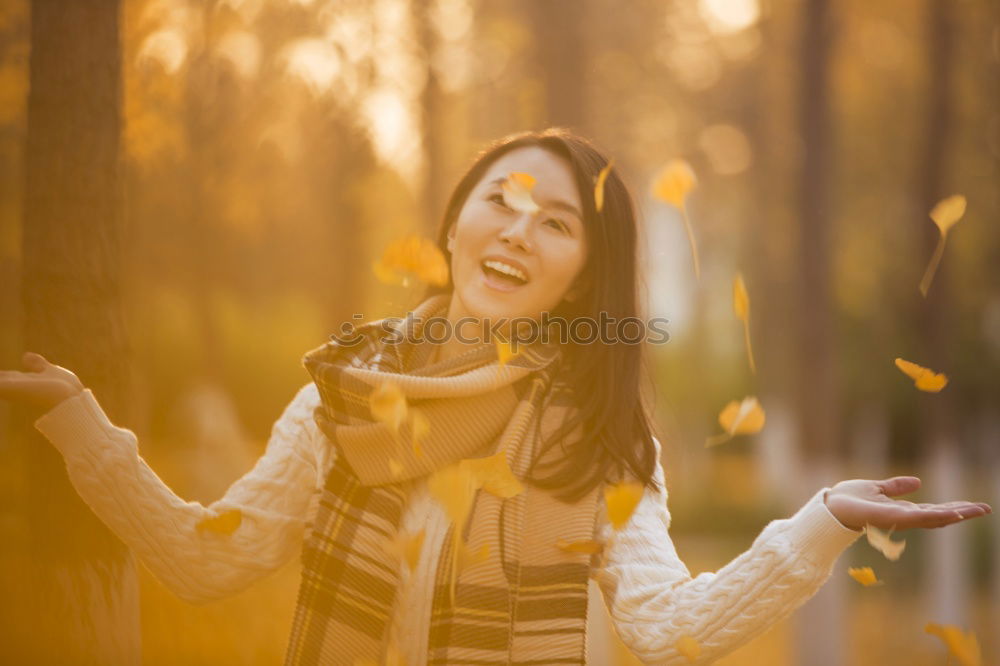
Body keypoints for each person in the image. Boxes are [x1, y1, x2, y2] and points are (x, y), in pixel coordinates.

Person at [0, 128, 991, 665]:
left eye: (556, 223)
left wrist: (817, 522)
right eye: (501, 201)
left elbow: (664, 629)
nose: (518, 231)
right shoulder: (343, 400)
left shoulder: (593, 444)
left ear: (584, 276)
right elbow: (203, 561)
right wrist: (76, 419)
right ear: (456, 219)